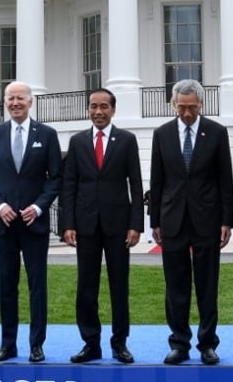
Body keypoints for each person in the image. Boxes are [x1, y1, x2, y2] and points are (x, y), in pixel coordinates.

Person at [149, 79, 233, 365]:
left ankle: (207, 343)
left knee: (207, 285)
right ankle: (179, 343)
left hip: (207, 220)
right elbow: (157, 181)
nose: (187, 113)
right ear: (174, 104)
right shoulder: (161, 134)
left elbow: (225, 180)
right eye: (182, 107)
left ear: (201, 104)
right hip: (172, 220)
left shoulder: (217, 133)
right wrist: (155, 221)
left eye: (192, 107)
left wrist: (226, 220)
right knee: (176, 285)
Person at [0, 81, 62, 363]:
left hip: (33, 225)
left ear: (30, 102)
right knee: (6, 285)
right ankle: (8, 344)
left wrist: (38, 207)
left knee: (37, 286)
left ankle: (36, 345)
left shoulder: (47, 135)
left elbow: (55, 179)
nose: (15, 103)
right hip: (4, 226)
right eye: (10, 98)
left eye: (20, 99)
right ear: (5, 102)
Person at [61, 88, 144, 364]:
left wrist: (136, 224)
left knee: (119, 286)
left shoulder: (127, 140)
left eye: (104, 107)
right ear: (88, 109)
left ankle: (120, 344)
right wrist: (68, 223)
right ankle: (90, 343)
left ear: (113, 110)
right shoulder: (77, 141)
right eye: (93, 106)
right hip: (85, 225)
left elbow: (136, 183)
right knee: (87, 286)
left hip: (119, 225)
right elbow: (69, 184)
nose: (98, 111)